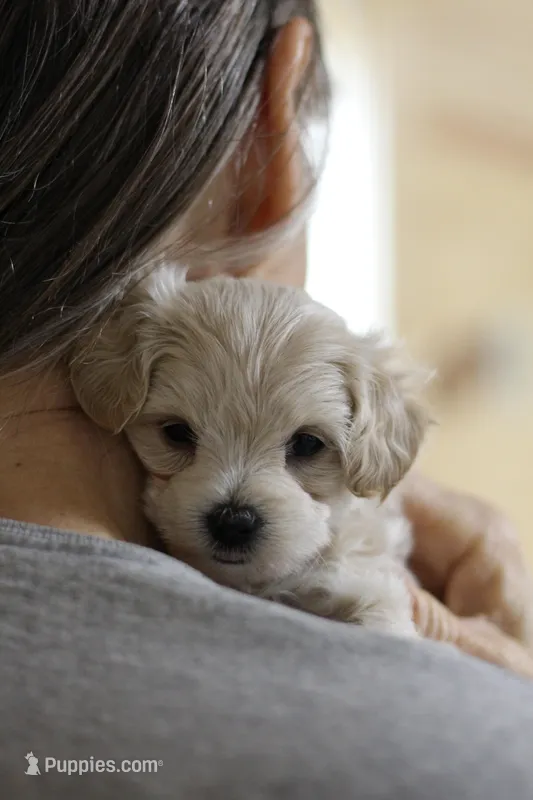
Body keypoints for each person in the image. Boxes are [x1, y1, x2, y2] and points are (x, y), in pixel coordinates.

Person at [0, 3, 532, 798]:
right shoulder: (474, 757)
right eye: (178, 435)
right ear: (270, 135)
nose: (235, 506)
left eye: (306, 448)